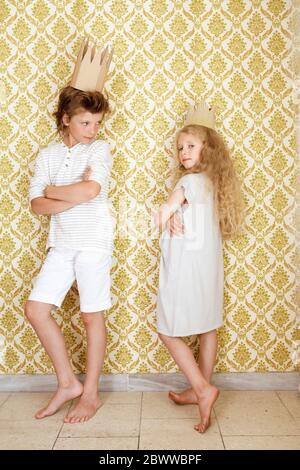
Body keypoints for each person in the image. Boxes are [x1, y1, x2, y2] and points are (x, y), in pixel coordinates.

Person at [24, 39, 114, 423]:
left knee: (91, 316)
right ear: (65, 119)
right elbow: (35, 204)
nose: (92, 130)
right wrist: (69, 195)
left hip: (94, 241)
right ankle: (67, 383)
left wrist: (55, 192)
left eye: (96, 123)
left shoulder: (100, 150)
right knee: (36, 309)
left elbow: (92, 191)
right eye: (84, 122)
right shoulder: (47, 155)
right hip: (61, 244)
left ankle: (89, 393)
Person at [155, 102, 244, 433]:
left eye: (191, 145)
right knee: (208, 325)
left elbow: (160, 216)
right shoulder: (214, 184)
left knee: (167, 328)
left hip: (186, 267)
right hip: (208, 267)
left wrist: (169, 215)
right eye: (180, 147)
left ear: (208, 148)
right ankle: (198, 388)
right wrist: (179, 215)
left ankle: (204, 390)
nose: (183, 152)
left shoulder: (188, 183)